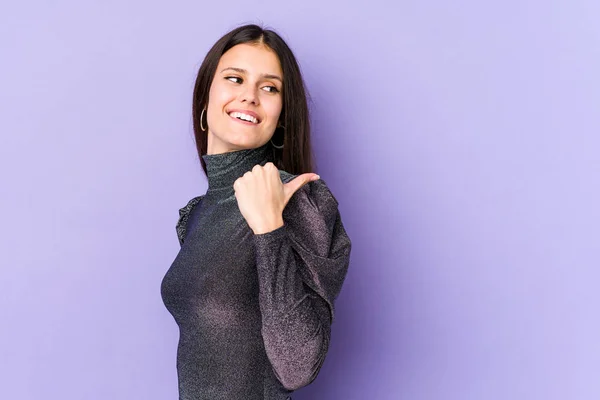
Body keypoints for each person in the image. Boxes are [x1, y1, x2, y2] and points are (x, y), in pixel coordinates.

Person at [160, 23, 352, 400]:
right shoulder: (198, 214)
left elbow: (297, 366)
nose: (250, 96)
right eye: (235, 79)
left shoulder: (296, 198)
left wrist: (269, 229)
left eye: (269, 87)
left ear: (281, 115)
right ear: (205, 98)